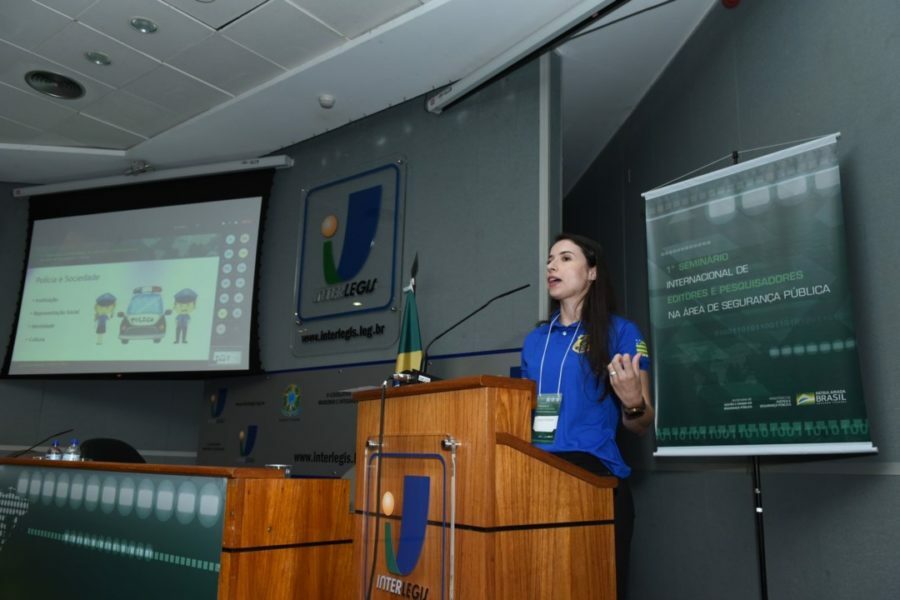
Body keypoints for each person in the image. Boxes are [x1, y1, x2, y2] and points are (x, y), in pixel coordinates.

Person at [520, 233, 653, 600]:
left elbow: (641, 424)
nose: (552, 266)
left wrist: (632, 402)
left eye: (565, 258)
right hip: (535, 480)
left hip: (594, 480)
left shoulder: (620, 332)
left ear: (592, 272)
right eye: (550, 259)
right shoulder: (535, 340)